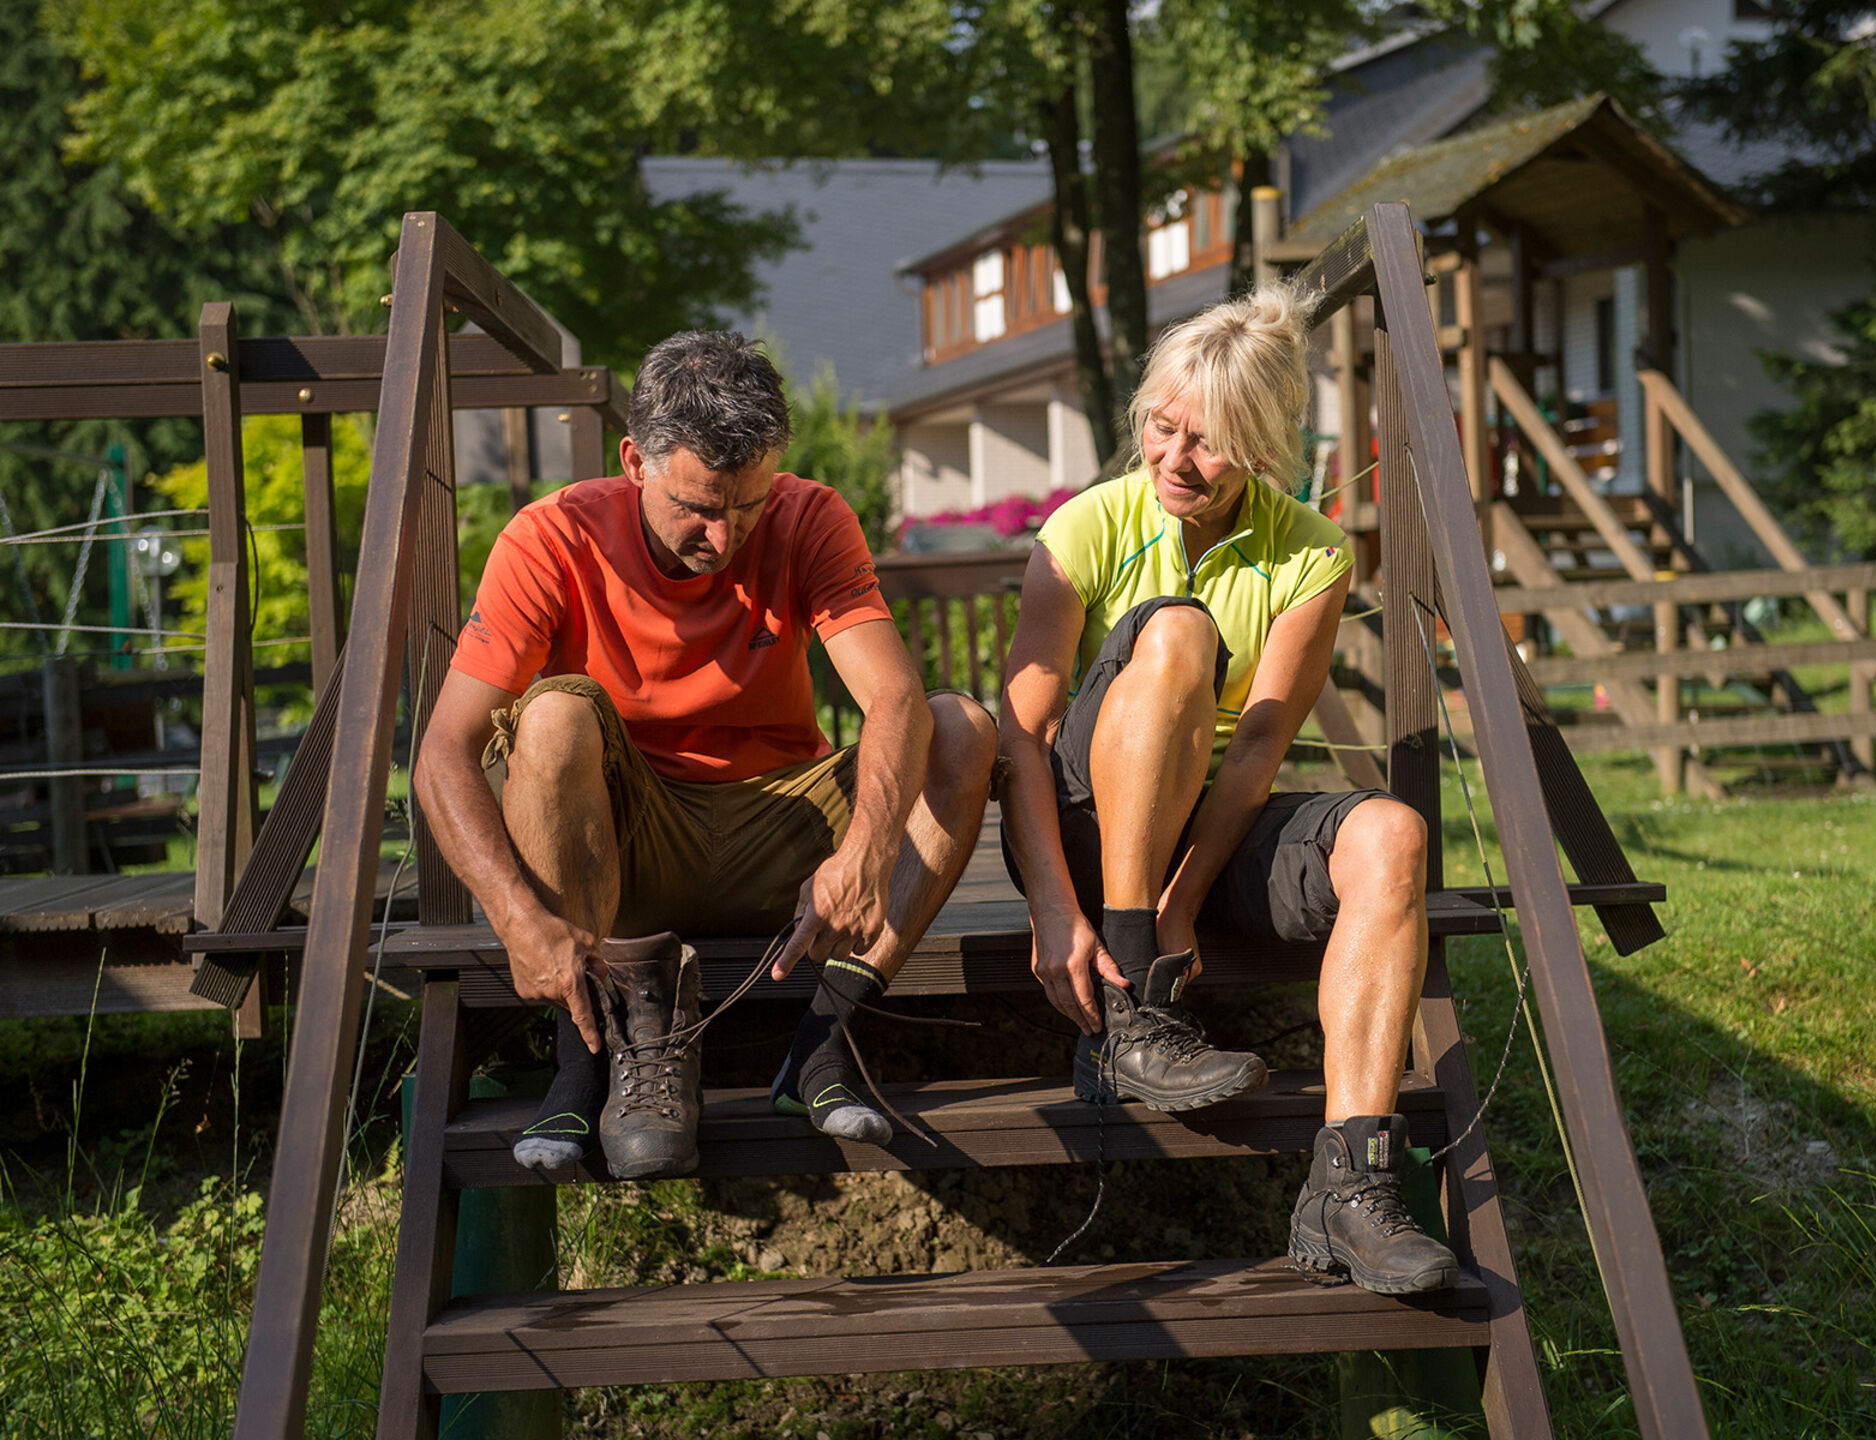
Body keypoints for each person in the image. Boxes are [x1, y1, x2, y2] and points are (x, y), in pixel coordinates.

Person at [416, 330, 996, 1181]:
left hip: (785, 841)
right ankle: (585, 1056)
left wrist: (868, 848)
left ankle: (827, 1038)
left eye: (748, 506)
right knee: (550, 718)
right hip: (627, 852)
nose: (726, 538)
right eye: (700, 506)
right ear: (633, 461)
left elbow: (895, 698)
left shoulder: (811, 515)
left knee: (961, 728)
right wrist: (515, 917)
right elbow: (441, 754)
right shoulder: (552, 536)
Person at [996, 283, 1457, 1295]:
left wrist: (1184, 904)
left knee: (1392, 834)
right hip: (1088, 822)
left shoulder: (1314, 553)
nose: (1173, 458)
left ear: (1258, 446)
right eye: (1162, 427)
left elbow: (1255, 752)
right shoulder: (1084, 527)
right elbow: (1020, 736)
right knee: (1178, 630)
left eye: (1205, 442)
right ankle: (1133, 1022)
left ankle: (1352, 1184)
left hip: (1202, 828)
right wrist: (1053, 909)